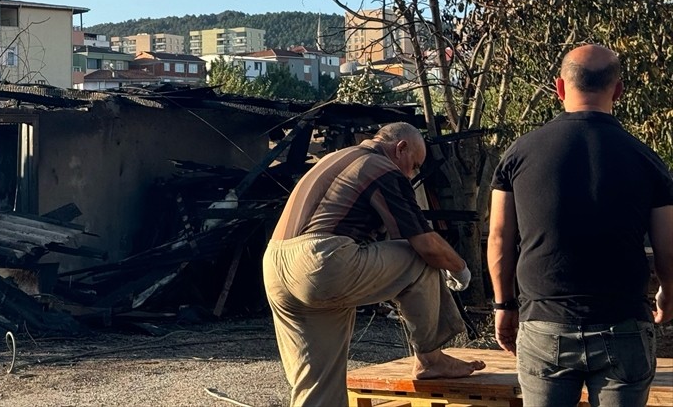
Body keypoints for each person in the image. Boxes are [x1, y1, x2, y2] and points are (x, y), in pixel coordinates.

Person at [488, 44, 673, 406]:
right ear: (617, 90)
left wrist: (503, 305)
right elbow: (669, 245)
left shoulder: (519, 154)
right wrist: (668, 291)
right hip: (624, 324)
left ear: (559, 87)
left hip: (544, 324)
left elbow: (498, 238)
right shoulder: (646, 159)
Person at [263, 122, 485, 407]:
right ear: (400, 148)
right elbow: (426, 244)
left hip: (275, 265)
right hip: (322, 262)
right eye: (414, 164)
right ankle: (430, 359)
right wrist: (460, 268)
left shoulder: (333, 159)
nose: (412, 173)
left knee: (319, 384)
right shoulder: (381, 166)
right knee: (421, 257)